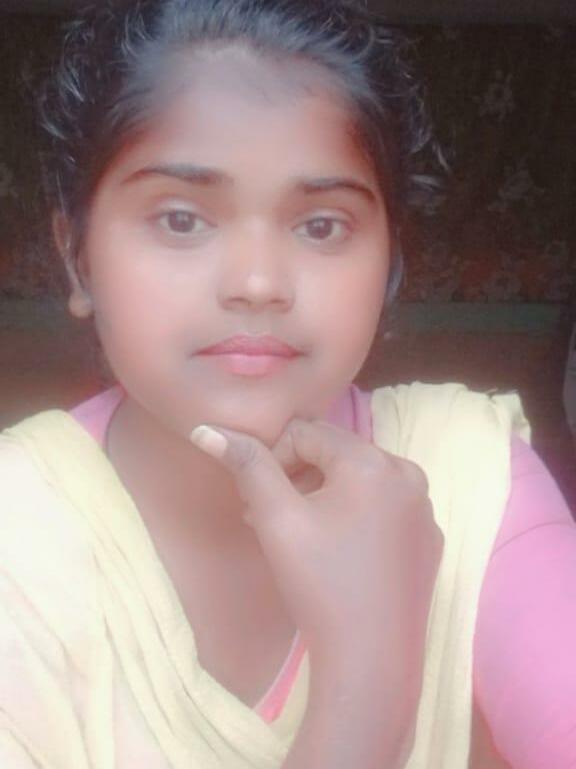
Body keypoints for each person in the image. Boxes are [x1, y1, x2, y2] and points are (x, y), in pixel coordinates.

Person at [0, 1, 575, 766]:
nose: (259, 282)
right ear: (77, 258)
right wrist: (367, 684)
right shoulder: (18, 537)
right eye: (180, 219)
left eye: (321, 225)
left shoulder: (470, 477)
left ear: (390, 265)